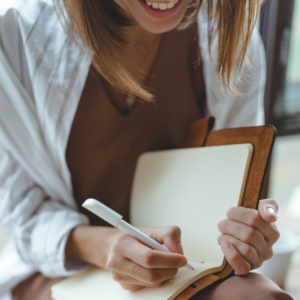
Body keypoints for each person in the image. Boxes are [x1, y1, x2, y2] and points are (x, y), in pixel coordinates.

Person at [0, 0, 293, 299]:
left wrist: (246, 229)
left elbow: (232, 182)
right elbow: (23, 213)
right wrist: (106, 246)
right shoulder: (14, 37)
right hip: (67, 269)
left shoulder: (230, 38)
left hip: (181, 267)